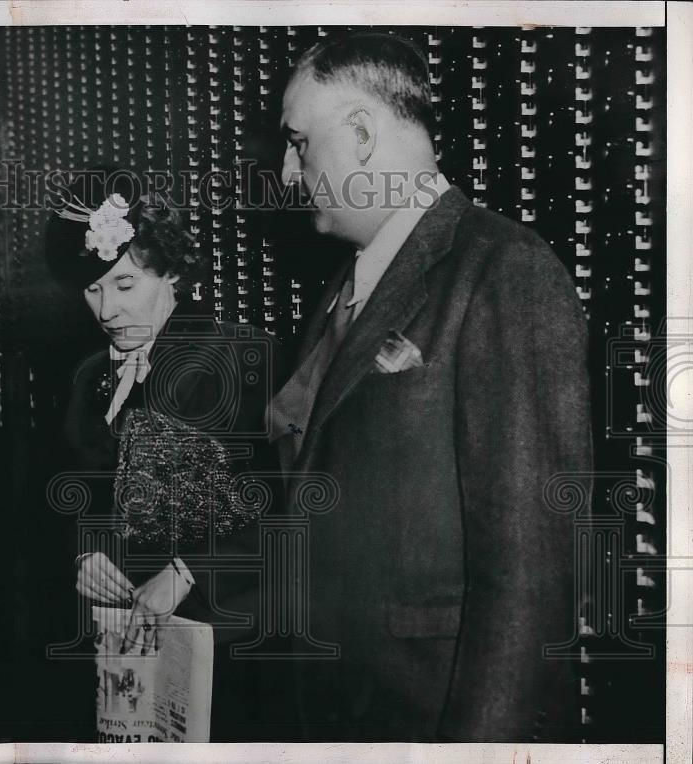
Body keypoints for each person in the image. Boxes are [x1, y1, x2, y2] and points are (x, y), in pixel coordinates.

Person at [268, 33, 592, 742]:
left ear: (358, 135)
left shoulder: (504, 270)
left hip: (434, 717)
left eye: (298, 144)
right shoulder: (341, 291)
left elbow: (532, 575)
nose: (288, 173)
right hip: (338, 709)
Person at [46, 169, 284, 742]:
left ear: (173, 272)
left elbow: (286, 504)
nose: (106, 311)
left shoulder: (241, 356)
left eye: (125, 285)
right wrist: (84, 555)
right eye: (93, 290)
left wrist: (186, 573)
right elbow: (67, 495)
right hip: (121, 646)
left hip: (223, 639)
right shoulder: (86, 377)